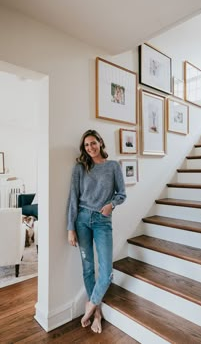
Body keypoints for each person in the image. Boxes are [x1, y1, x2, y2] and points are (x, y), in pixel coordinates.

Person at [67, 129, 126, 334]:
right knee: (88, 268)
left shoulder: (112, 166)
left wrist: (111, 204)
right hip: (82, 220)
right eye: (86, 145)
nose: (90, 148)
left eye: (93, 143)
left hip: (102, 221)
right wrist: (70, 228)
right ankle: (98, 313)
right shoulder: (80, 168)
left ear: (100, 142)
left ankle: (90, 304)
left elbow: (122, 194)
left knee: (106, 271)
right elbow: (73, 198)